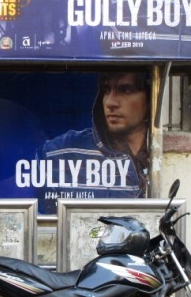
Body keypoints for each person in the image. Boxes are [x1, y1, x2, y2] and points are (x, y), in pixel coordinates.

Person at [36, 70, 150, 214]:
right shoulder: (61, 152)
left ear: (150, 98)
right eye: (106, 90)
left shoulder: (164, 155)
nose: (110, 102)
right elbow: (43, 227)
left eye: (125, 90)